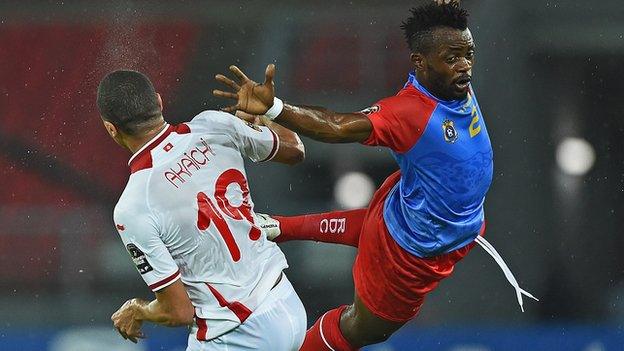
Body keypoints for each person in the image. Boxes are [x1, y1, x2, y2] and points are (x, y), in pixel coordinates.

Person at [213, 2, 537, 350]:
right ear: (420, 62)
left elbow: (444, 35)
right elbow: (338, 127)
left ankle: (278, 227)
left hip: (426, 209)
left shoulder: (451, 83)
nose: (465, 67)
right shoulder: (410, 112)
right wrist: (277, 108)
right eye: (452, 57)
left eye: (468, 54)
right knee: (363, 330)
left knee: (378, 224)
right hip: (412, 256)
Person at [97, 69, 308, 350]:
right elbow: (295, 150)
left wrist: (138, 309)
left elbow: (178, 312)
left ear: (112, 129)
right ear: (159, 102)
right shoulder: (215, 124)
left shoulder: (133, 206)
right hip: (288, 303)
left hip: (238, 334)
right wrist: (269, 110)